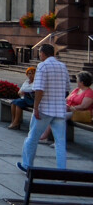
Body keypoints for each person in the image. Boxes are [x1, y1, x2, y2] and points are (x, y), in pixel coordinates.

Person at [19, 44, 70, 172]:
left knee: (33, 137)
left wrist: (36, 108)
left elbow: (39, 89)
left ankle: (27, 165)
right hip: (59, 110)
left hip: (44, 109)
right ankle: (62, 172)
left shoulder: (43, 66)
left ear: (43, 53)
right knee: (60, 142)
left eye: (40, 53)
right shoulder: (63, 66)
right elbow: (67, 89)